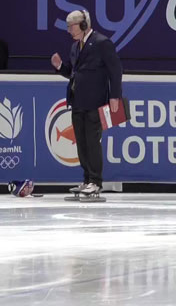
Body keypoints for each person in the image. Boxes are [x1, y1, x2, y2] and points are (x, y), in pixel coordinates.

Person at [50, 10, 123, 196]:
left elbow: (115, 70)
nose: (68, 31)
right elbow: (74, 73)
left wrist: (115, 96)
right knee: (81, 143)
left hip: (95, 102)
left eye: (71, 26)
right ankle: (87, 179)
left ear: (83, 24)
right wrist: (60, 67)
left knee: (92, 142)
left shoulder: (101, 43)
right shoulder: (75, 47)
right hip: (77, 102)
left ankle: (96, 181)